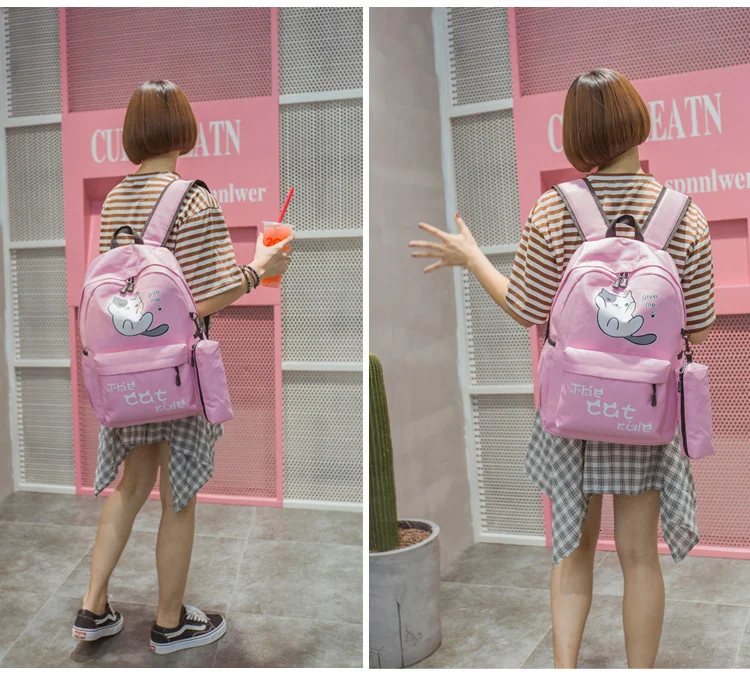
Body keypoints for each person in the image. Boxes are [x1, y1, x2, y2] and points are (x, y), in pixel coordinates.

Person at [409, 69, 715, 668]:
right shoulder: (686, 215)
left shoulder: (556, 208)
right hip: (648, 412)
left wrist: (473, 258)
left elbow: (525, 307)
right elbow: (697, 327)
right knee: (640, 559)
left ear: (576, 136)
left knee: (572, 551)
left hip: (575, 409)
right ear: (638, 120)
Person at [72, 80, 293, 654]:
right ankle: (170, 623)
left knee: (131, 485)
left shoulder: (116, 199)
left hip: (126, 371)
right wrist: (260, 267)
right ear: (185, 130)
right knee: (179, 495)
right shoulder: (194, 199)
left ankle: (93, 608)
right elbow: (205, 299)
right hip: (175, 372)